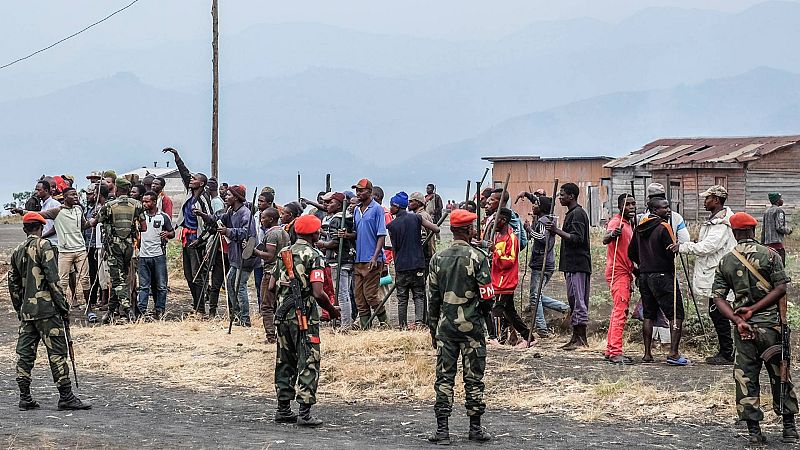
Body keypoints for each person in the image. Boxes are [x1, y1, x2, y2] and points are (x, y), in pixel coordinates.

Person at [711, 212, 798, 444]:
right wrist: (755, 309)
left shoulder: (726, 261)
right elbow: (781, 288)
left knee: (745, 376)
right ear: (753, 230)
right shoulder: (770, 255)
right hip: (771, 327)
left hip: (744, 329)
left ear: (734, 232)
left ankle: (754, 433)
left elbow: (718, 298)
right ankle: (789, 429)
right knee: (780, 373)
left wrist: (738, 319)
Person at [8, 212, 91, 411]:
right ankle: (66, 396)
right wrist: (63, 307)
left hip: (28, 312)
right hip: (47, 311)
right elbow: (54, 280)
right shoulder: (45, 246)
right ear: (42, 228)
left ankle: (25, 397)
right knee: (57, 353)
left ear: (25, 229)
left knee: (25, 355)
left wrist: (20, 309)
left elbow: (13, 284)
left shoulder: (17, 251)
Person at [266, 214, 340, 426]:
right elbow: (318, 292)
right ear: (314, 234)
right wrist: (331, 310)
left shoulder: (284, 253)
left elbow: (270, 287)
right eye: (318, 231)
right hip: (304, 317)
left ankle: (283, 409)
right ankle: (305, 413)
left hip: (283, 317)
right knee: (308, 360)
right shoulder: (314, 256)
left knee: (284, 361)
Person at [427, 208, 493, 444]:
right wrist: (482, 317)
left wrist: (433, 328)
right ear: (467, 230)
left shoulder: (438, 258)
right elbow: (487, 296)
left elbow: (433, 299)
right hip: (472, 329)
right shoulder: (479, 257)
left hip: (446, 328)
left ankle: (442, 431)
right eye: (472, 227)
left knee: (444, 378)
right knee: (473, 378)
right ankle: (475, 428)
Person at [674, 185, 736, 365]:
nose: (705, 201)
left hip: (719, 273)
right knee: (718, 311)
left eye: (708, 198)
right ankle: (727, 351)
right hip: (717, 272)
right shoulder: (717, 220)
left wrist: (684, 247)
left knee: (719, 312)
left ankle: (727, 353)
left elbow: (709, 246)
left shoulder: (722, 223)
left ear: (716, 200)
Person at [629, 197, 687, 365]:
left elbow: (631, 252)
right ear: (654, 210)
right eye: (664, 208)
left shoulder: (639, 228)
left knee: (649, 314)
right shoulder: (664, 226)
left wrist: (643, 264)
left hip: (645, 276)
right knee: (676, 313)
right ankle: (673, 354)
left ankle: (647, 354)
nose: (668, 210)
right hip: (663, 275)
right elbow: (672, 251)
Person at [196, 185, 259, 326]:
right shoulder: (231, 211)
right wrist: (203, 215)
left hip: (245, 256)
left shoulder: (245, 214)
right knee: (230, 282)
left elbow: (248, 233)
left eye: (229, 195)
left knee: (239, 286)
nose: (226, 196)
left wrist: (228, 231)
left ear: (236, 198)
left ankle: (245, 319)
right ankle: (236, 315)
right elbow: (217, 218)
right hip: (235, 256)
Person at [163, 147, 214, 313]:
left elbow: (211, 224)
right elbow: (185, 173)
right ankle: (196, 304)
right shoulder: (189, 193)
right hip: (187, 239)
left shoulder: (203, 200)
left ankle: (201, 308)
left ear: (202, 183)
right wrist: (177, 157)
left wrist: (200, 240)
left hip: (197, 241)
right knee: (188, 275)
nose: (191, 179)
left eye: (195, 179)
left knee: (197, 275)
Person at [90, 178, 147, 324]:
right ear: (128, 190)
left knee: (116, 279)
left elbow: (94, 223)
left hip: (113, 247)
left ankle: (127, 309)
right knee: (122, 277)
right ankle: (110, 312)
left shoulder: (109, 205)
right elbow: (144, 227)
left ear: (117, 189)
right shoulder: (137, 204)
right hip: (129, 247)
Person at [545, 183, 592, 350]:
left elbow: (577, 238)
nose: (560, 198)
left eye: (562, 194)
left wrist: (556, 231)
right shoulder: (572, 213)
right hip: (571, 265)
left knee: (579, 301)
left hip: (578, 264)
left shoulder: (578, 214)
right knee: (573, 301)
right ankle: (575, 337)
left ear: (571, 196)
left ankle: (581, 338)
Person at [387, 192, 440, 329]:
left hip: (402, 265)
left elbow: (394, 248)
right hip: (417, 263)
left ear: (397, 206)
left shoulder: (392, 226)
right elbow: (436, 228)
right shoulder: (416, 218)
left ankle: (403, 325)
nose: (390, 208)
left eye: (391, 205)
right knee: (419, 295)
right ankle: (419, 323)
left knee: (402, 298)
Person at [523, 196, 569, 335]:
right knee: (537, 295)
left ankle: (542, 329)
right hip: (545, 261)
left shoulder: (543, 221)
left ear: (542, 207)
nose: (533, 206)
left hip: (541, 263)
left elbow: (543, 239)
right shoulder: (545, 220)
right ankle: (565, 308)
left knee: (535, 297)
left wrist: (529, 229)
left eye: (536, 203)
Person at [489, 207, 534, 348]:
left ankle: (495, 338)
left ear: (503, 220)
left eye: (496, 219)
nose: (493, 223)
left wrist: (495, 251)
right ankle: (529, 337)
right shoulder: (497, 237)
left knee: (497, 308)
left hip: (505, 281)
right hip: (498, 279)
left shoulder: (512, 239)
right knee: (509, 312)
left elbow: (509, 261)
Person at [602, 193, 637, 364]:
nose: (631, 207)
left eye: (633, 204)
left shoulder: (629, 225)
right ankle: (615, 351)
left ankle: (610, 349)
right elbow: (605, 238)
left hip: (625, 272)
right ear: (620, 206)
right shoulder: (617, 222)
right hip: (618, 272)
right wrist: (612, 234)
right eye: (627, 204)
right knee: (620, 312)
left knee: (618, 310)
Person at [352, 178, 389, 328]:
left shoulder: (377, 209)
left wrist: (375, 257)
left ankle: (384, 323)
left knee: (371, 295)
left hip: (372, 259)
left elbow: (381, 235)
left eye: (361, 191)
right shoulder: (356, 210)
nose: (358, 193)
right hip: (358, 259)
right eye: (357, 191)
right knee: (359, 297)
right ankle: (365, 327)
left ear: (369, 192)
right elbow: (357, 233)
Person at [316, 192, 355, 329]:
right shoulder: (348, 217)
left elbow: (335, 242)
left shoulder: (336, 220)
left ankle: (345, 325)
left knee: (342, 293)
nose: (327, 205)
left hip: (338, 259)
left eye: (330, 202)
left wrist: (323, 244)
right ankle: (345, 322)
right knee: (345, 292)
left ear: (339, 205)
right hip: (348, 258)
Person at [137, 192, 175, 319]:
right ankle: (141, 310)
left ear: (154, 202)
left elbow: (172, 233)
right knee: (143, 286)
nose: (144, 204)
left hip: (158, 255)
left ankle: (160, 310)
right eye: (143, 201)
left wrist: (167, 234)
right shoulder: (140, 216)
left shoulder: (163, 217)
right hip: (143, 255)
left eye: (147, 201)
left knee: (161, 285)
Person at [255, 207, 290, 342]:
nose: (261, 220)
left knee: (266, 306)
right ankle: (281, 335)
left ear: (271, 219)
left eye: (264, 218)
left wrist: (255, 252)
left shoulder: (271, 234)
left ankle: (270, 336)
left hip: (271, 273)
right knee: (279, 305)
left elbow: (269, 256)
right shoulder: (284, 233)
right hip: (283, 272)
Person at [763, 192, 792, 264]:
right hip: (777, 244)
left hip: (767, 245)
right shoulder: (779, 211)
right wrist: (788, 231)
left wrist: (762, 243)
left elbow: (763, 229)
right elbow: (779, 227)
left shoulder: (767, 211)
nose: (782, 200)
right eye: (781, 198)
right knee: (780, 265)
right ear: (777, 201)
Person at [35, 179, 61, 245]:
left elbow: (57, 227)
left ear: (46, 191)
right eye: (36, 190)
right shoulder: (42, 204)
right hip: (45, 241)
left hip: (53, 242)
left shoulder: (55, 204)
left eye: (39, 190)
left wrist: (42, 237)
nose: (36, 192)